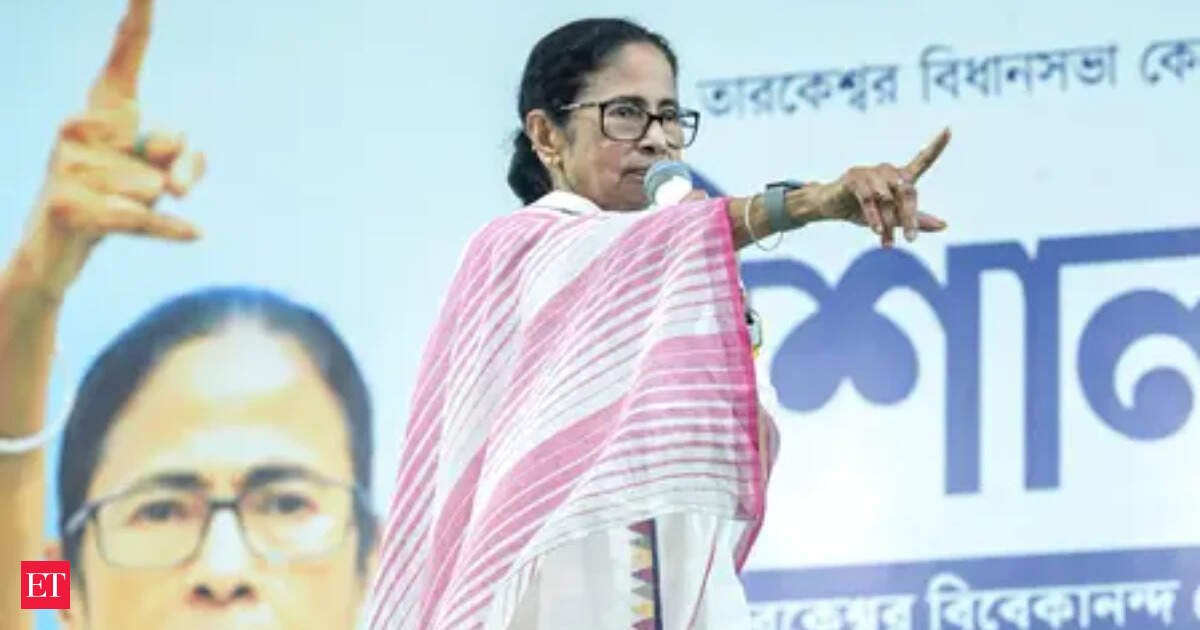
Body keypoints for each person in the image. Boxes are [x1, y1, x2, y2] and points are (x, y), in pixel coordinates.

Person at [368, 17, 950, 630]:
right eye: (625, 113)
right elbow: (616, 256)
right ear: (546, 134)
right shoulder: (517, 248)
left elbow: (729, 452)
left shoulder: (678, 280)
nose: (656, 140)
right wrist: (810, 203)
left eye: (669, 116)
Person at [0, 2, 378, 628]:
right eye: (160, 509)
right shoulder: (39, 590)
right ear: (60, 585)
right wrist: (30, 300)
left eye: (286, 503)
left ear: (375, 566)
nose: (223, 572)